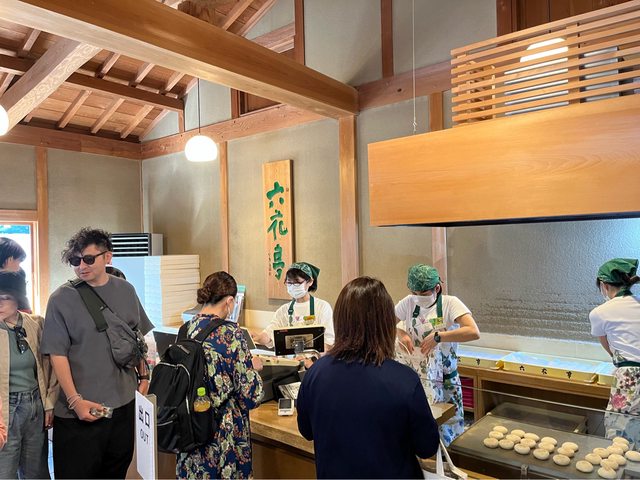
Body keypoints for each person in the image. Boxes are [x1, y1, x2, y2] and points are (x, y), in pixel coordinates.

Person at [297, 276, 439, 478]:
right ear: (386, 323)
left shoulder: (315, 373)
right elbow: (427, 446)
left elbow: (306, 431)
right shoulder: (404, 380)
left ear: (340, 320)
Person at [40, 228, 153, 479]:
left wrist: (144, 376)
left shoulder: (126, 290)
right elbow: (57, 354)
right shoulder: (61, 299)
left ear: (107, 257)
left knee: (115, 470)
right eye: (75, 261)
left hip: (122, 405)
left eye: (89, 259)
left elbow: (137, 338)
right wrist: (75, 401)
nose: (82, 266)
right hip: (81, 409)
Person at [177, 271, 263, 479]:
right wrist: (253, 368)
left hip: (189, 431)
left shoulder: (185, 330)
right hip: (222, 435)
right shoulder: (231, 333)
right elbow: (251, 395)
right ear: (230, 301)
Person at [395, 264, 480, 446]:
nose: (418, 297)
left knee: (449, 431)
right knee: (421, 431)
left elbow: (473, 331)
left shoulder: (451, 303)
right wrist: (400, 333)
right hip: (418, 380)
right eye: (414, 292)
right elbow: (386, 322)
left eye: (424, 293)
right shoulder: (408, 302)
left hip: (446, 380)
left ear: (437, 288)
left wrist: (439, 337)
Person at [0, 270, 58, 479]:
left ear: (18, 298)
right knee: (5, 471)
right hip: (5, 409)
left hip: (35, 405)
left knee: (36, 471)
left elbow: (50, 367)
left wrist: (49, 403)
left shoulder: (36, 324)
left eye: (5, 297)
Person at [589, 258, 640, 445]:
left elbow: (610, 348)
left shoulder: (599, 313)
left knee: (620, 440)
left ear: (604, 285)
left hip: (628, 379)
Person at [252, 262, 334, 353]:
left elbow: (328, 342)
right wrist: (258, 337)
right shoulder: (283, 310)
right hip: (290, 359)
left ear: (310, 282)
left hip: (314, 359)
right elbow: (270, 334)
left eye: (297, 283)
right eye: (289, 283)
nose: (292, 286)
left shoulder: (322, 307)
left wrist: (313, 357)